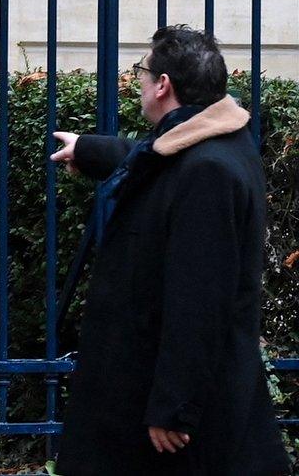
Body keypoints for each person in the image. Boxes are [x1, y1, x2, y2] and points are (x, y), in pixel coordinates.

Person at [51, 25, 290, 476]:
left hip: (171, 411)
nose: (137, 81)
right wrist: (90, 149)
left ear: (163, 85)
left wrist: (172, 407)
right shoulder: (219, 144)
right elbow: (159, 158)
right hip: (179, 392)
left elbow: (200, 299)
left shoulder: (208, 173)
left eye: (142, 71)